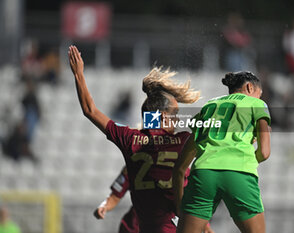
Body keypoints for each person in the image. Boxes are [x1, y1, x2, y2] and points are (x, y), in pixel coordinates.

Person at [68, 46, 214, 233]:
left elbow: (90, 111)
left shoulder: (130, 139)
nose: (177, 120)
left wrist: (79, 74)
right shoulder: (183, 140)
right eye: (175, 114)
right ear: (162, 116)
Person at [173, 71, 271, 233]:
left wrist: (180, 207)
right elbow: (265, 152)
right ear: (249, 87)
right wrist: (247, 160)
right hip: (240, 175)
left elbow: (180, 166)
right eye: (259, 95)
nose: (259, 99)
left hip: (204, 174)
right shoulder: (258, 105)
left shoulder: (209, 107)